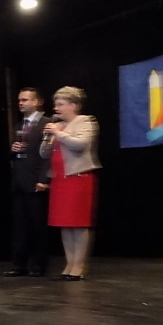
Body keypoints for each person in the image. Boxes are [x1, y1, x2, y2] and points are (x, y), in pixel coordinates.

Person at [40, 87, 100, 281]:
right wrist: (47, 138)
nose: (56, 108)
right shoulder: (57, 125)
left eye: (60, 104)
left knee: (78, 224)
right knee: (64, 224)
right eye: (55, 104)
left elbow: (80, 144)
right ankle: (69, 264)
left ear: (74, 105)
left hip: (78, 178)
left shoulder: (85, 121)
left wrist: (58, 133)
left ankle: (79, 266)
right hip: (59, 180)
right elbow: (43, 154)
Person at [4, 88, 51, 278]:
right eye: (19, 100)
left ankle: (38, 265)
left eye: (25, 100)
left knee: (37, 225)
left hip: (36, 181)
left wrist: (43, 179)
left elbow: (48, 156)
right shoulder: (20, 125)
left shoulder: (47, 123)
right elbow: (16, 155)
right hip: (19, 182)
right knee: (20, 226)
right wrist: (13, 150)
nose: (21, 103)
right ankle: (19, 264)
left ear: (37, 102)